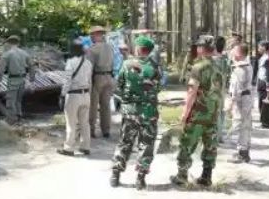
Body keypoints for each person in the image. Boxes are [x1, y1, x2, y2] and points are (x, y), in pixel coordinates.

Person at [171, 36, 224, 187]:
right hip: (212, 114)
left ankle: (181, 176)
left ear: (201, 48)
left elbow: (191, 93)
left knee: (187, 144)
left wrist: (185, 114)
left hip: (198, 114)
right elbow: (220, 91)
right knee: (210, 145)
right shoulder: (218, 67)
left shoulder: (198, 67)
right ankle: (206, 177)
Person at [110, 36, 161, 190]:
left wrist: (125, 99)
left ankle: (115, 174)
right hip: (149, 111)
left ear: (138, 48)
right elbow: (158, 88)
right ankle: (140, 178)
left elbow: (118, 85)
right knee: (146, 144)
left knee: (125, 141)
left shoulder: (126, 64)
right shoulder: (155, 67)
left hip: (130, 111)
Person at [57, 40, 93, 157]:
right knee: (85, 123)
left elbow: (67, 81)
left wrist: (62, 94)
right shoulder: (88, 63)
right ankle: (85, 146)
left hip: (73, 95)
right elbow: (89, 81)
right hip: (86, 95)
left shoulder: (70, 62)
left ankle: (69, 148)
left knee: (71, 123)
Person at [0, 35, 35, 124]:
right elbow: (32, 66)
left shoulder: (7, 54)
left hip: (13, 79)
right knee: (18, 100)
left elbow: (1, 70)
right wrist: (31, 80)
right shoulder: (25, 53)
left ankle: (11, 120)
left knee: (10, 101)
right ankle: (19, 117)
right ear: (18, 43)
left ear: (9, 43)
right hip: (22, 79)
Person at [228, 43, 254, 163]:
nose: (232, 52)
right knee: (246, 124)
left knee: (241, 124)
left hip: (242, 99)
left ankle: (242, 152)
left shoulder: (241, 68)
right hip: (246, 97)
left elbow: (237, 88)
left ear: (239, 53)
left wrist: (231, 103)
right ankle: (244, 151)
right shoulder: (243, 65)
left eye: (234, 50)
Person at [88, 26, 115, 139]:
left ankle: (91, 130)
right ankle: (106, 130)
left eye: (91, 35)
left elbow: (89, 67)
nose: (91, 37)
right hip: (109, 77)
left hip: (97, 77)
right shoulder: (110, 47)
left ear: (95, 35)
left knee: (93, 105)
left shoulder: (92, 49)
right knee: (106, 105)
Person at [212, 36, 230, 142]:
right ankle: (220, 135)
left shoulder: (213, 60)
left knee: (215, 112)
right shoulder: (225, 59)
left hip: (214, 88)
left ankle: (216, 135)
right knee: (221, 111)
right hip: (222, 88)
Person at [256, 41, 269, 129]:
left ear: (264, 47)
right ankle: (266, 121)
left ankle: (266, 122)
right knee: (261, 102)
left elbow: (268, 72)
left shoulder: (267, 58)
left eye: (260, 47)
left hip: (265, 82)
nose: (258, 49)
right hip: (261, 81)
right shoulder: (263, 57)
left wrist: (268, 84)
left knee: (265, 103)